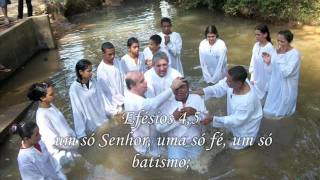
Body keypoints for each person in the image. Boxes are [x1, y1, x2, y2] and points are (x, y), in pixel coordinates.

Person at [197, 66, 262, 150]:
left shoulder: (247, 101)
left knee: (238, 148)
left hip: (245, 130)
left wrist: (214, 119)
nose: (226, 81)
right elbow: (219, 87)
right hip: (238, 120)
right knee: (231, 133)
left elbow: (236, 120)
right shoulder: (239, 81)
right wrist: (202, 92)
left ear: (238, 83)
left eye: (229, 80)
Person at [124, 71, 185, 157]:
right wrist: (172, 87)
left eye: (144, 79)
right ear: (132, 86)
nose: (146, 82)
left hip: (151, 142)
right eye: (141, 81)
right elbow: (154, 103)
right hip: (147, 150)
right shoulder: (135, 101)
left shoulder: (132, 94)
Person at [27, 82, 80, 170]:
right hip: (63, 156)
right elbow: (54, 141)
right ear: (42, 98)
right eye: (51, 94)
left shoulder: (50, 105)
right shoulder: (42, 116)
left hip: (70, 146)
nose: (54, 96)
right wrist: (76, 144)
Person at [156, 80, 207, 160]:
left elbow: (207, 120)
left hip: (195, 142)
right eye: (176, 88)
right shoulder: (166, 103)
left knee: (198, 168)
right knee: (178, 171)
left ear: (188, 88)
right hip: (176, 145)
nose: (179, 90)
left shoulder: (197, 99)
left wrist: (195, 113)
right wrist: (173, 118)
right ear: (172, 89)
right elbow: (159, 128)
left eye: (182, 87)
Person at [263, 30, 301, 118]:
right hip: (275, 83)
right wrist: (268, 62)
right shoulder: (277, 51)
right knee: (270, 109)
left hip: (287, 85)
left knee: (284, 108)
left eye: (282, 41)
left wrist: (282, 55)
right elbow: (273, 68)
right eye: (278, 40)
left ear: (289, 41)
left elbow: (286, 73)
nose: (279, 43)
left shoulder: (295, 54)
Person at [69, 59, 111, 139]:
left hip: (102, 117)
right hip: (91, 123)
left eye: (91, 70)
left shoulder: (93, 81)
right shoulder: (74, 89)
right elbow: (76, 111)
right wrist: (81, 134)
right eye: (89, 71)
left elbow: (102, 97)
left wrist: (111, 111)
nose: (92, 73)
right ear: (81, 72)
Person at [97, 42, 125, 116]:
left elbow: (124, 79)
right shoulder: (101, 70)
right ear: (103, 53)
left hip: (124, 100)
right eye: (109, 54)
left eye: (114, 53)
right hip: (114, 106)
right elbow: (107, 92)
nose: (113, 56)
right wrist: (115, 111)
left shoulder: (117, 62)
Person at [249, 24, 274, 100]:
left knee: (264, 100)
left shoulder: (269, 48)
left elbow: (272, 67)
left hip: (265, 80)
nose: (256, 37)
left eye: (258, 35)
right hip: (255, 78)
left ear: (265, 34)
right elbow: (253, 62)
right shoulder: (256, 45)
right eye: (255, 35)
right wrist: (252, 77)